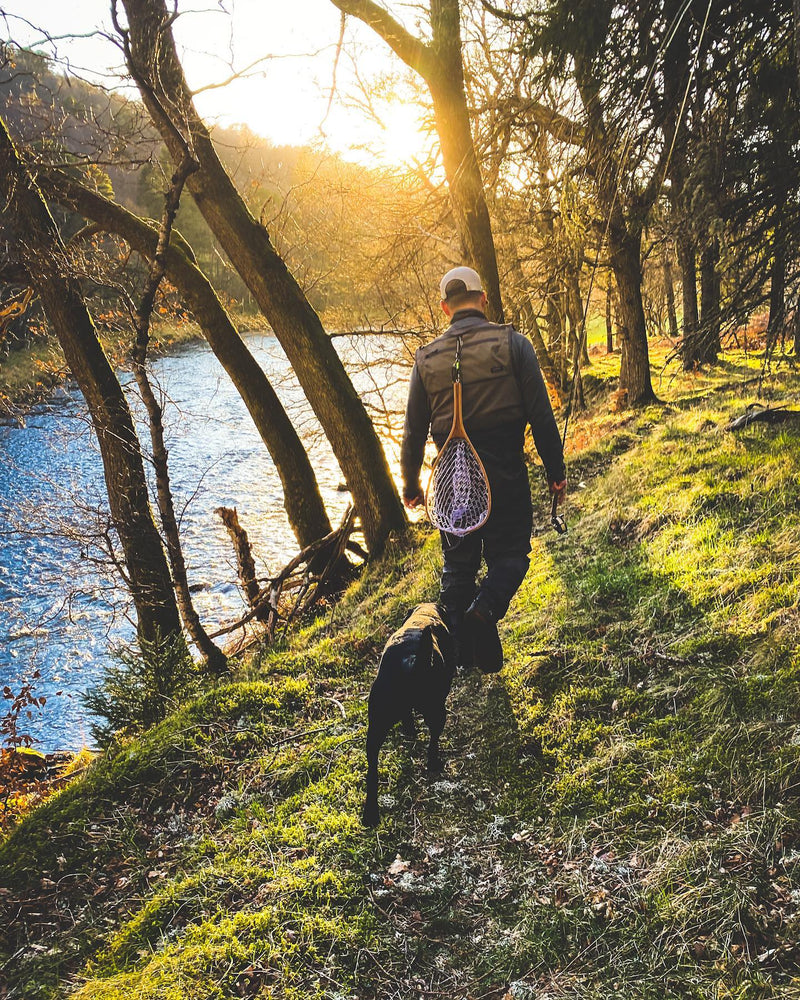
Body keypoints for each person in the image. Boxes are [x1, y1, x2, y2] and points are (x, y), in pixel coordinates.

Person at [401, 265, 566, 673]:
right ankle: (485, 610)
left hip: (452, 486)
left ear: (444, 308)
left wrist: (410, 484)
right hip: (505, 475)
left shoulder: (425, 360)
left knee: (458, 572)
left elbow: (412, 432)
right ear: (484, 298)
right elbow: (542, 417)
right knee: (511, 557)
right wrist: (555, 471)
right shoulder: (515, 344)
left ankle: (457, 660)